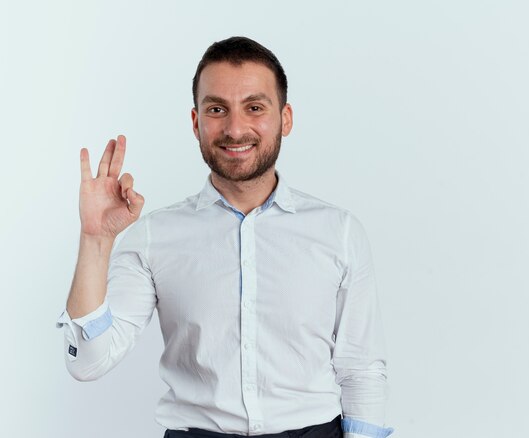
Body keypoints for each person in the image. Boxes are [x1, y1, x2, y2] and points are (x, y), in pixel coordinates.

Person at [57, 36, 393, 438]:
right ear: (197, 121)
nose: (235, 129)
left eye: (254, 107)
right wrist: (96, 240)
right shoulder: (154, 237)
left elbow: (361, 369)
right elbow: (87, 362)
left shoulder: (338, 232)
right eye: (217, 109)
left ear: (285, 118)